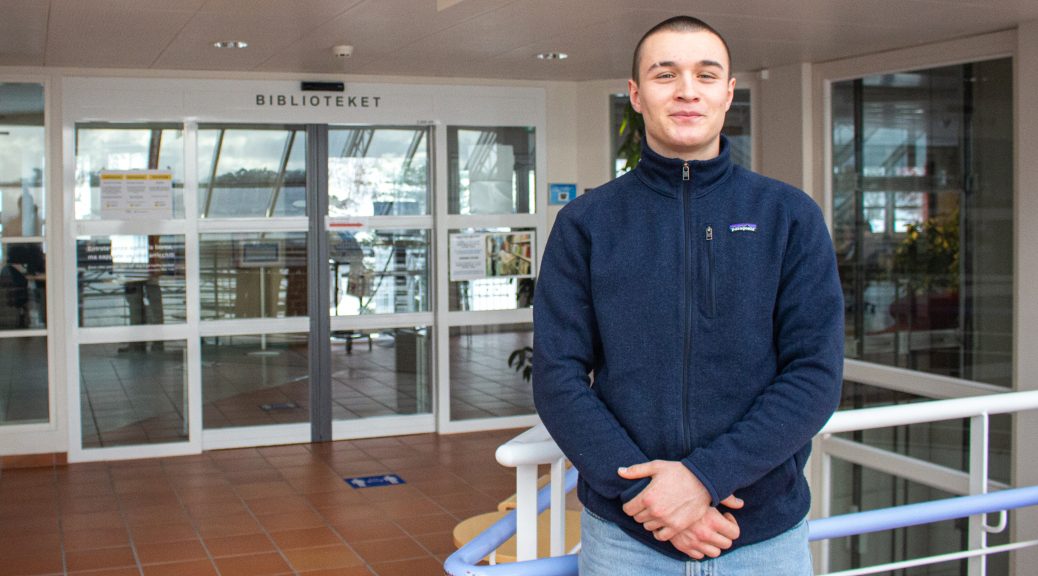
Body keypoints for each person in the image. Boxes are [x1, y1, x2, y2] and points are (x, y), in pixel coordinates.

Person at [532, 15, 844, 575]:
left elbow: (814, 373)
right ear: (635, 94)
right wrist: (649, 496)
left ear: (728, 93)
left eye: (705, 74)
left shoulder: (789, 216)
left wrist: (703, 478)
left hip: (761, 536)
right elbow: (557, 377)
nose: (686, 91)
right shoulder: (587, 223)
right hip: (628, 538)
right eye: (665, 74)